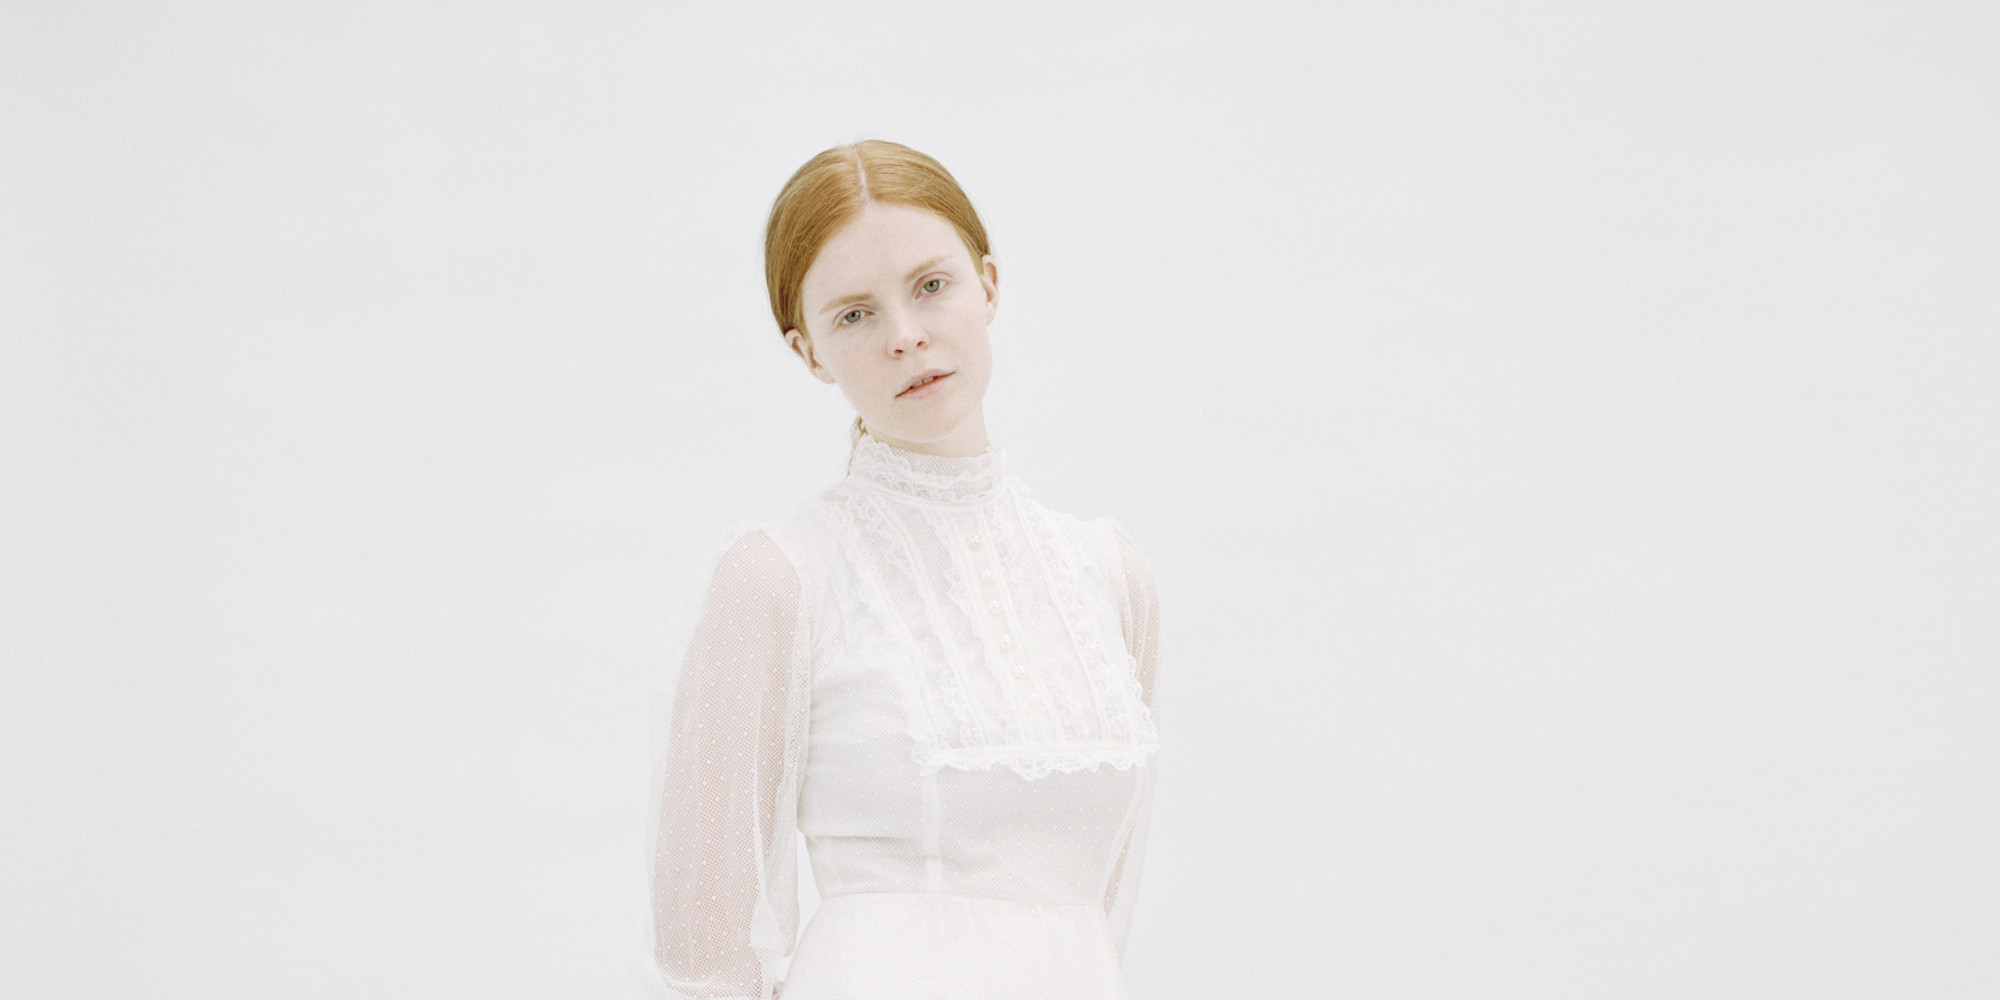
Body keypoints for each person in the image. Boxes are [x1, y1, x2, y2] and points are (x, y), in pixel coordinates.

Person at [644, 140, 1163, 999]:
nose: (907, 336)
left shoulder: (1108, 576)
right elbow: (704, 950)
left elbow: (1106, 910)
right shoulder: (779, 579)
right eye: (854, 315)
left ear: (988, 284)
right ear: (807, 351)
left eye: (931, 285)